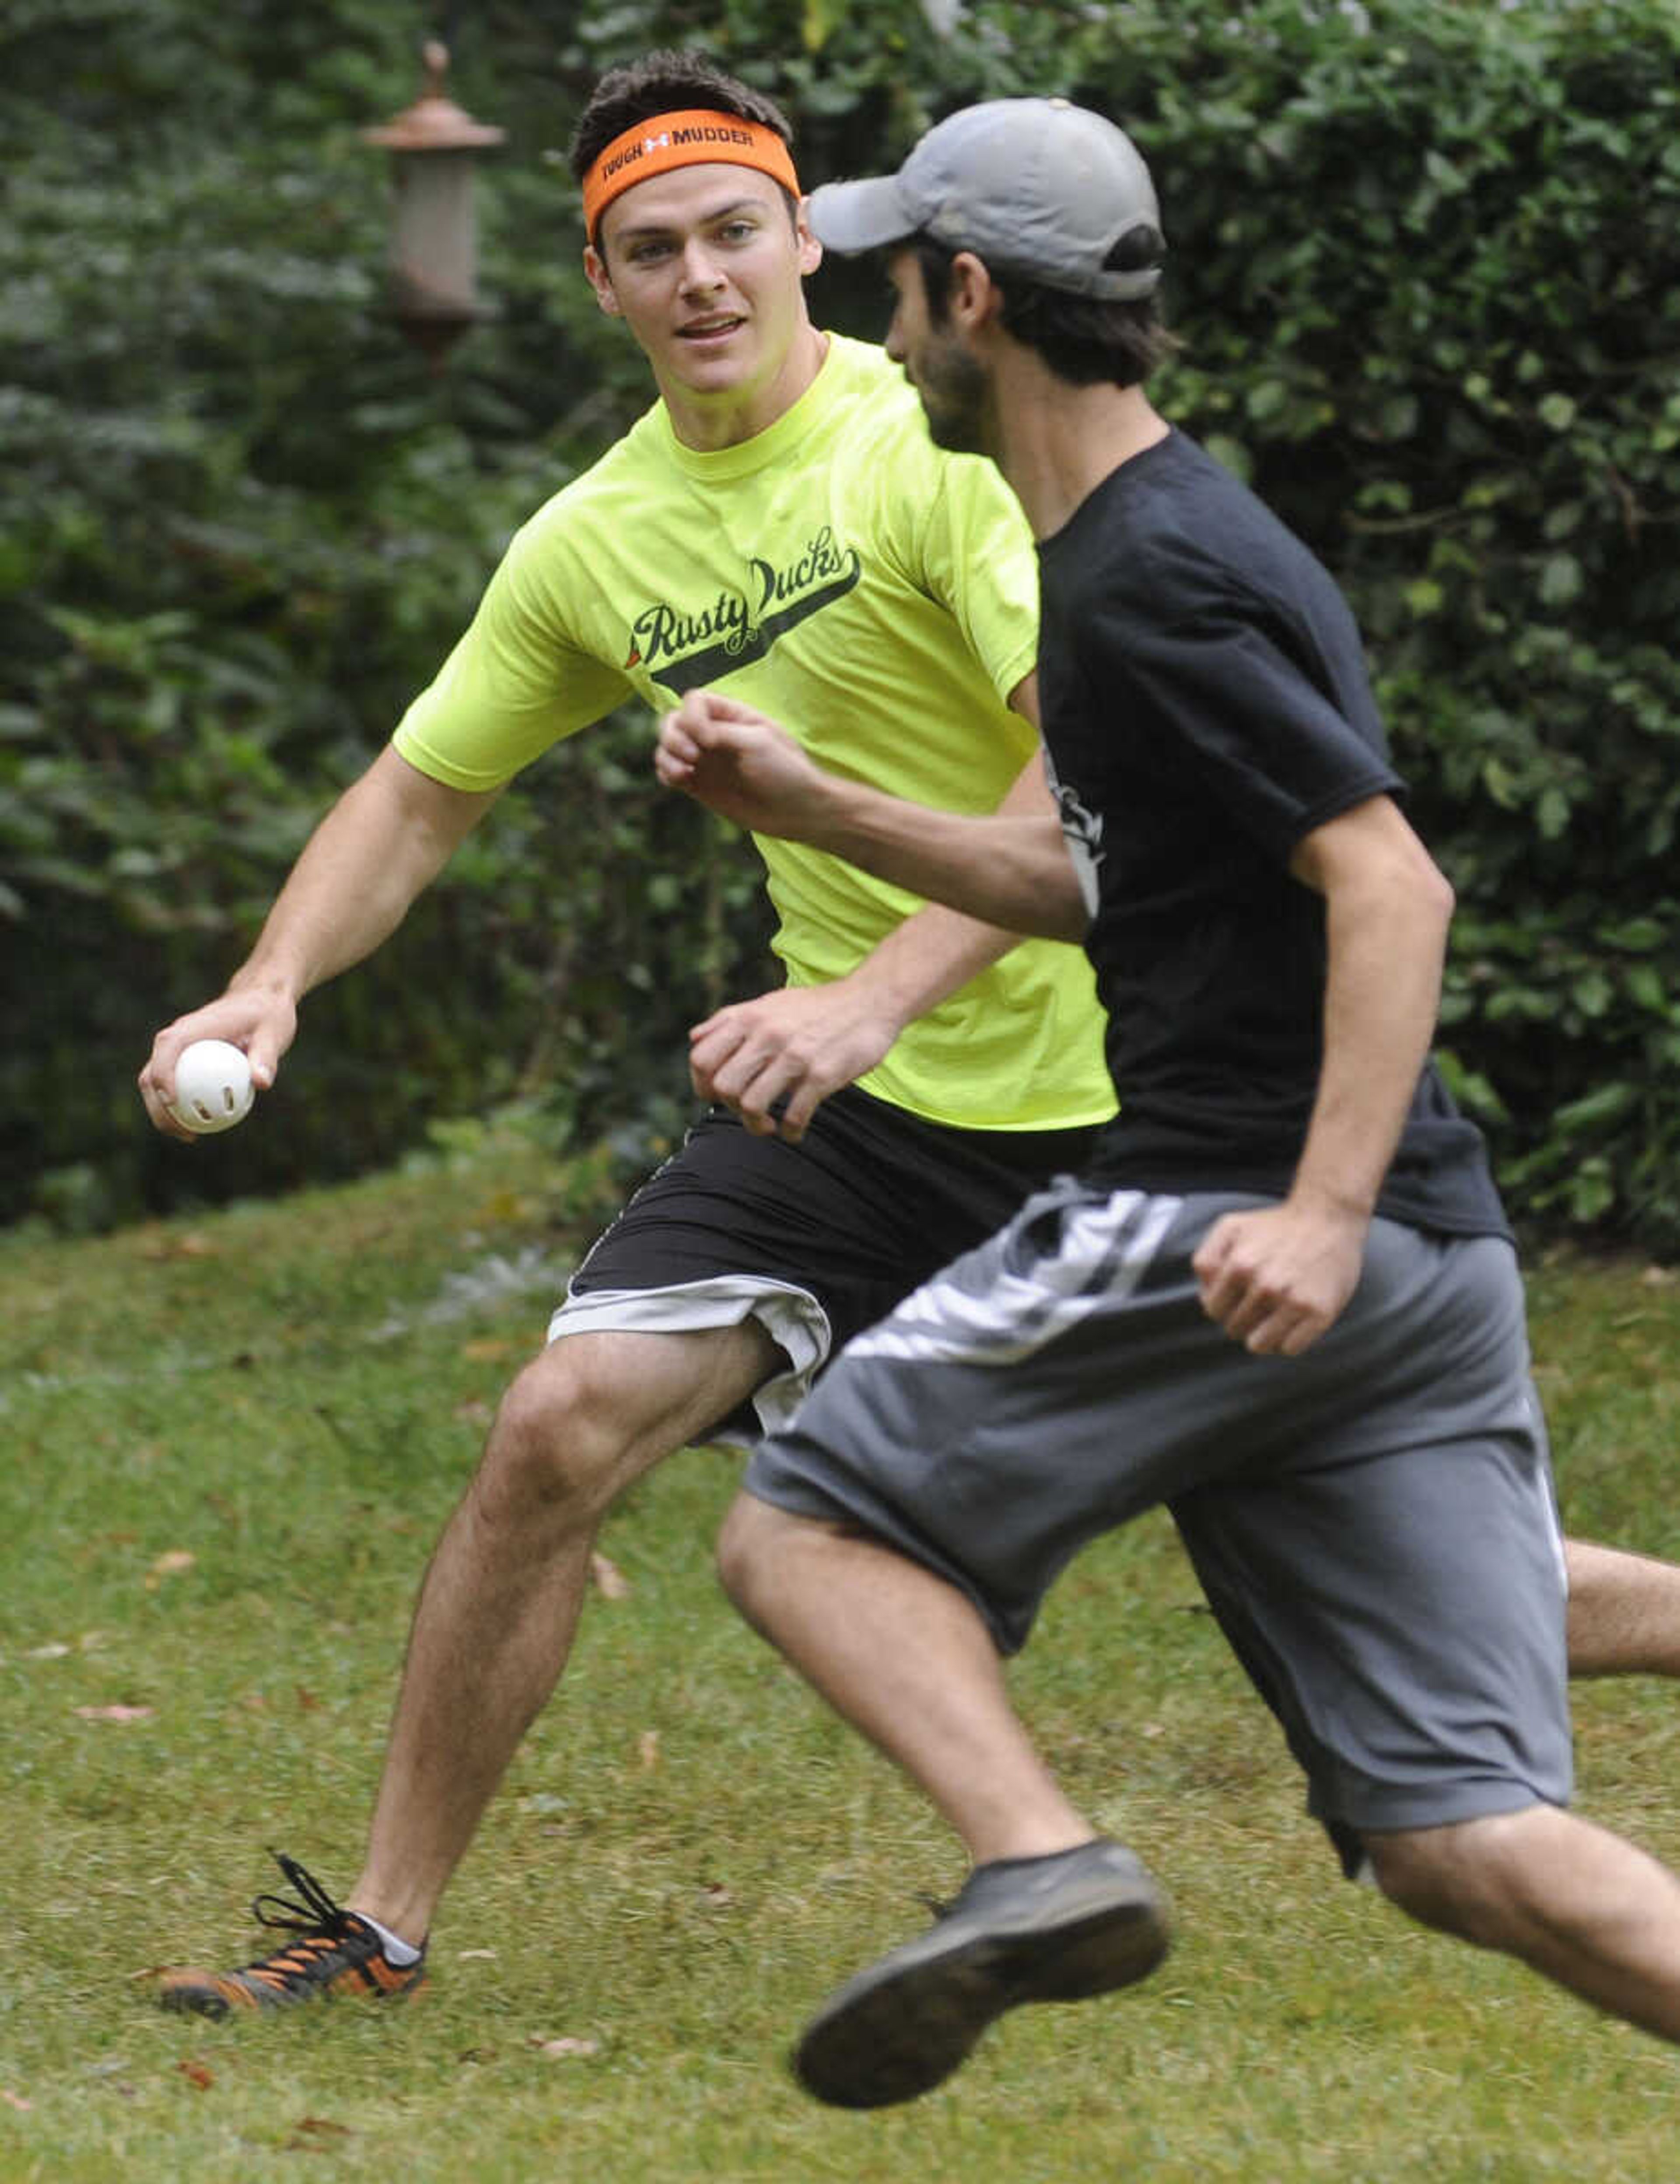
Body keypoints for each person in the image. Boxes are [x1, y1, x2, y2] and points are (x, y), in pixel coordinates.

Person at [654, 96, 1680, 2110]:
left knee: (810, 1528)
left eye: (895, 282)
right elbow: (1103, 877)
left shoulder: (1153, 574)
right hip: (1422, 1271)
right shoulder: (1129, 553)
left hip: (1242, 1222)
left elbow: (1389, 880)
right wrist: (819, 805)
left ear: (973, 297)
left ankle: (1036, 1858)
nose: (879, 321)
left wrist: (1310, 1208)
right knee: (1461, 1848)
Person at [134, 49, 1121, 2016]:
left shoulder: (927, 450)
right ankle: (383, 1933)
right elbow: (424, 793)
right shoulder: (595, 540)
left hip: (1131, 1095)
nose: (699, 278)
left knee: (1371, 1577)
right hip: (859, 1116)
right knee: (555, 1427)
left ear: (802, 243)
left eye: (732, 232)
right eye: (649, 248)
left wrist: (861, 992)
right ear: (602, 284)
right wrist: (273, 980)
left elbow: (1087, 781)